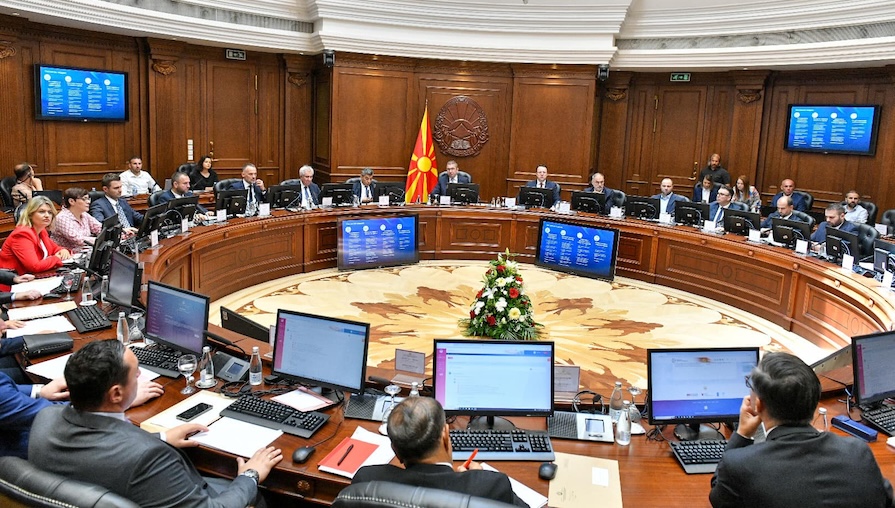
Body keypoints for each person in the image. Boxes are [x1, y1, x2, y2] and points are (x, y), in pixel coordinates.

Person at [29, 339, 280, 507]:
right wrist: (250, 475)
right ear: (116, 394)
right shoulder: (148, 457)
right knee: (259, 496)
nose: (140, 376)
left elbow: (101, 452)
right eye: (135, 372)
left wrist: (162, 438)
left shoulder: (45, 418)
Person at [709, 352, 893, 508]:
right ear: (814, 403)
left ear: (758, 404)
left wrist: (742, 434)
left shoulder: (740, 465)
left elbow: (718, 497)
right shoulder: (859, 452)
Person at [353, 397, 527, 507]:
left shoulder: (366, 481)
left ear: (395, 450)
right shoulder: (492, 485)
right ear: (445, 435)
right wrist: (476, 478)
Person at [0, 196, 71, 289]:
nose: (47, 215)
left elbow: (55, 248)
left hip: (34, 279)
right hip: (13, 285)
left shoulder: (41, 231)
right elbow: (34, 266)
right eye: (41, 212)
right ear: (30, 214)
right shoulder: (22, 234)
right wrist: (56, 258)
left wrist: (63, 250)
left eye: (50, 212)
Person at [51, 187, 102, 254]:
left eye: (88, 199)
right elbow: (78, 239)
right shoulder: (62, 218)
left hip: (85, 252)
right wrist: (100, 240)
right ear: (71, 201)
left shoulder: (84, 214)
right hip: (67, 255)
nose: (88, 202)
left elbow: (99, 228)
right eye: (84, 199)